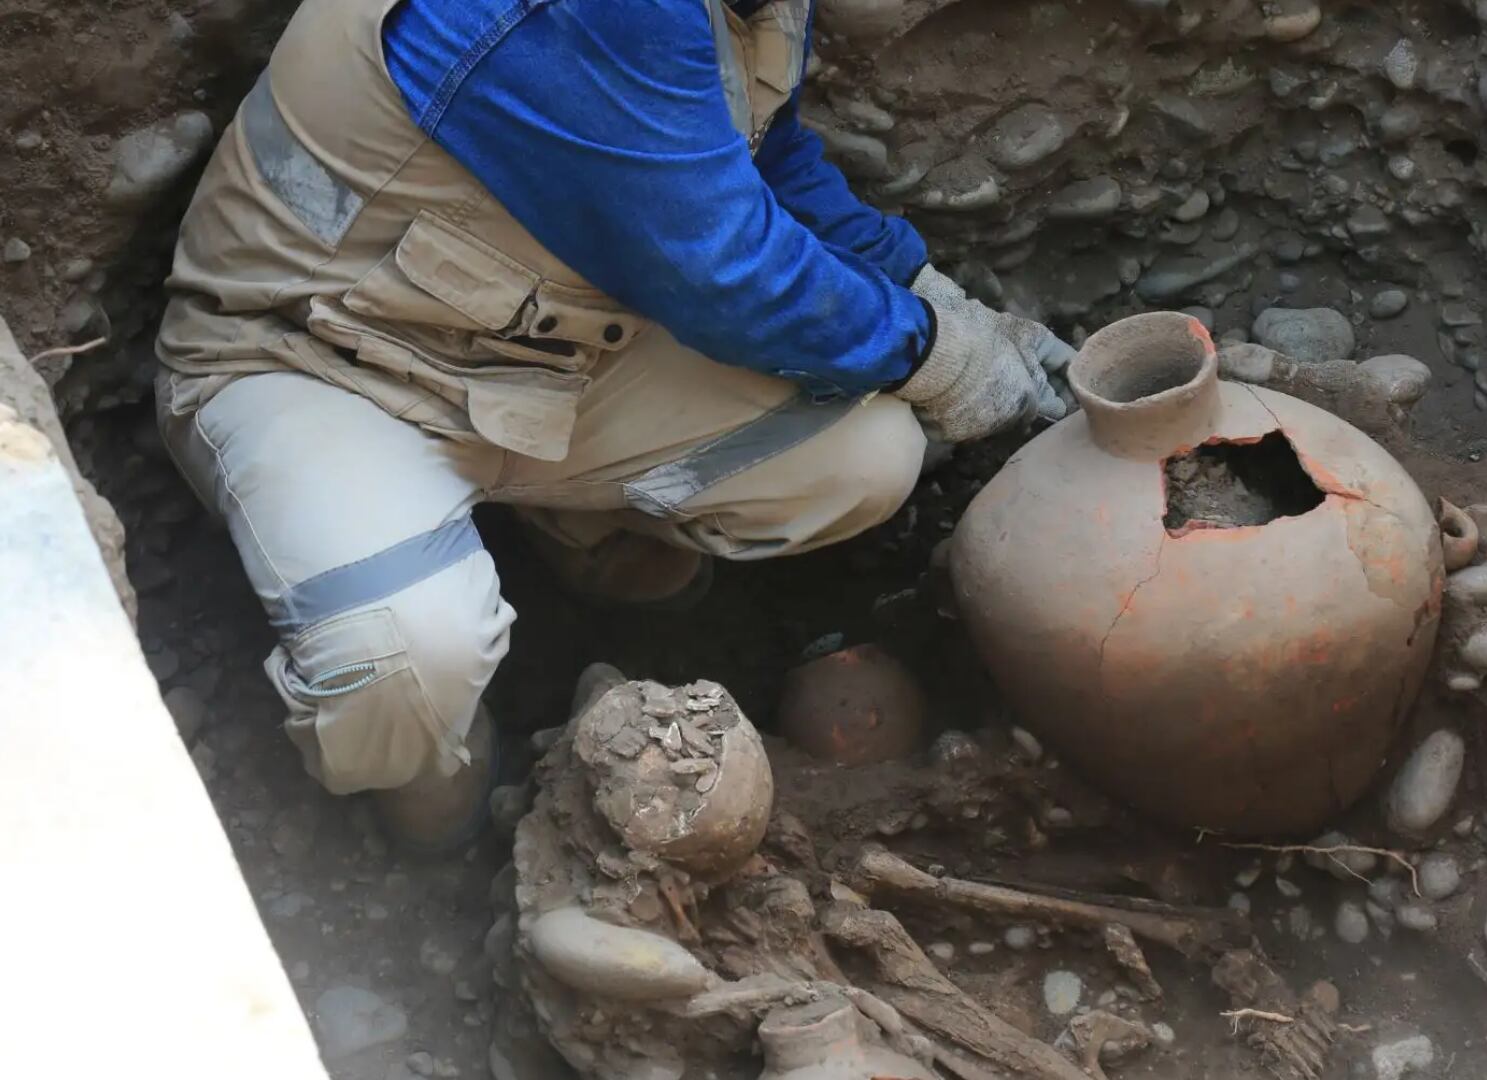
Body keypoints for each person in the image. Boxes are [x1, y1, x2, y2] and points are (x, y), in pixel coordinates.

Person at [151, 0, 1073, 850]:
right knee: (404, 661)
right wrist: (935, 352)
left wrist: (917, 285)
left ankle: (574, 528)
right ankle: (435, 791)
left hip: (548, 357)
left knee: (860, 457)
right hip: (317, 353)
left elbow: (762, 157)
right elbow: (723, 275)